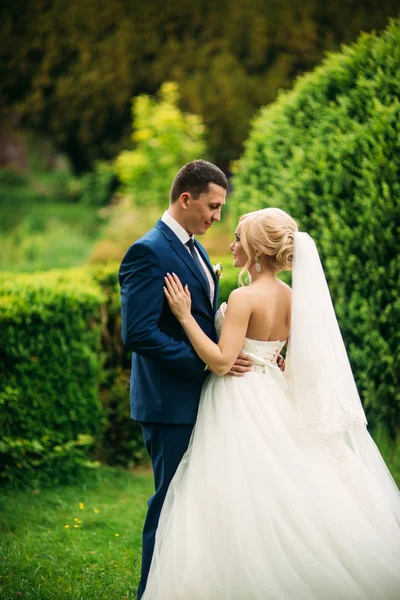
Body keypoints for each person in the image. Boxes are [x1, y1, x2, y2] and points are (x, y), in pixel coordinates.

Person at [142, 207, 400, 599]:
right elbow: (292, 354)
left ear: (257, 251)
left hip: (239, 398)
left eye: (239, 240)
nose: (231, 245)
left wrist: (184, 316)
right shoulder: (294, 297)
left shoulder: (243, 296)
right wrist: (272, 356)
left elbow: (223, 361)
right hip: (274, 392)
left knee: (234, 488)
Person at [119, 160, 260, 599]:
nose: (217, 216)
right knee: (169, 503)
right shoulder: (149, 251)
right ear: (186, 198)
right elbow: (139, 331)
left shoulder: (194, 248)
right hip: (168, 402)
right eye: (213, 206)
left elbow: (197, 318)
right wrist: (205, 365)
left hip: (200, 397)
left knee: (196, 503)